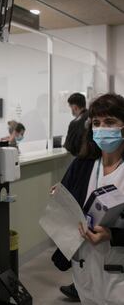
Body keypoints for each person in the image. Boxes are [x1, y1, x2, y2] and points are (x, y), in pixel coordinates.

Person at [52, 93, 124, 305]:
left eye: (110, 122)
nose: (102, 128)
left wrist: (112, 235)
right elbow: (65, 202)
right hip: (84, 264)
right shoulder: (82, 164)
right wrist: (59, 197)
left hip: (118, 265)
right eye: (96, 123)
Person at [59, 93, 89, 302]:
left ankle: (80, 287)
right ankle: (80, 285)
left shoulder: (76, 124)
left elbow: (69, 146)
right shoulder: (82, 165)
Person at [64, 92, 89, 157]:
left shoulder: (74, 123)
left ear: (75, 107)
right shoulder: (93, 116)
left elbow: (69, 146)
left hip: (83, 158)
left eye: (70, 107)